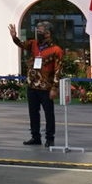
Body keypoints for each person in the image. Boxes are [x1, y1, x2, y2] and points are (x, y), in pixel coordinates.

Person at [9, 20, 63, 148]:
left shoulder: (56, 50)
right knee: (33, 112)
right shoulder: (33, 44)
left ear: (48, 33)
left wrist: (54, 88)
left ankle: (50, 138)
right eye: (37, 30)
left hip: (46, 87)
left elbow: (58, 70)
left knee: (49, 113)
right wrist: (14, 37)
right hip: (32, 85)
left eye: (40, 31)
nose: (38, 32)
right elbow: (21, 44)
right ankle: (35, 137)